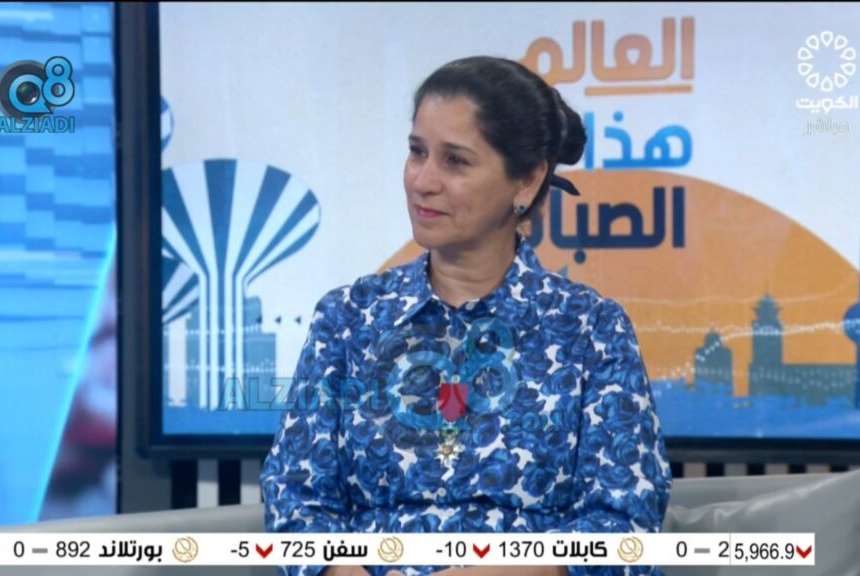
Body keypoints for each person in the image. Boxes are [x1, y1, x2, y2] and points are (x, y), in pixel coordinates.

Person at [261, 56, 672, 576]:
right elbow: (295, 498)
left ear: (527, 181)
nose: (423, 180)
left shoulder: (592, 330)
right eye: (417, 152)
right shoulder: (348, 319)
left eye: (455, 161)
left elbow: (624, 525)